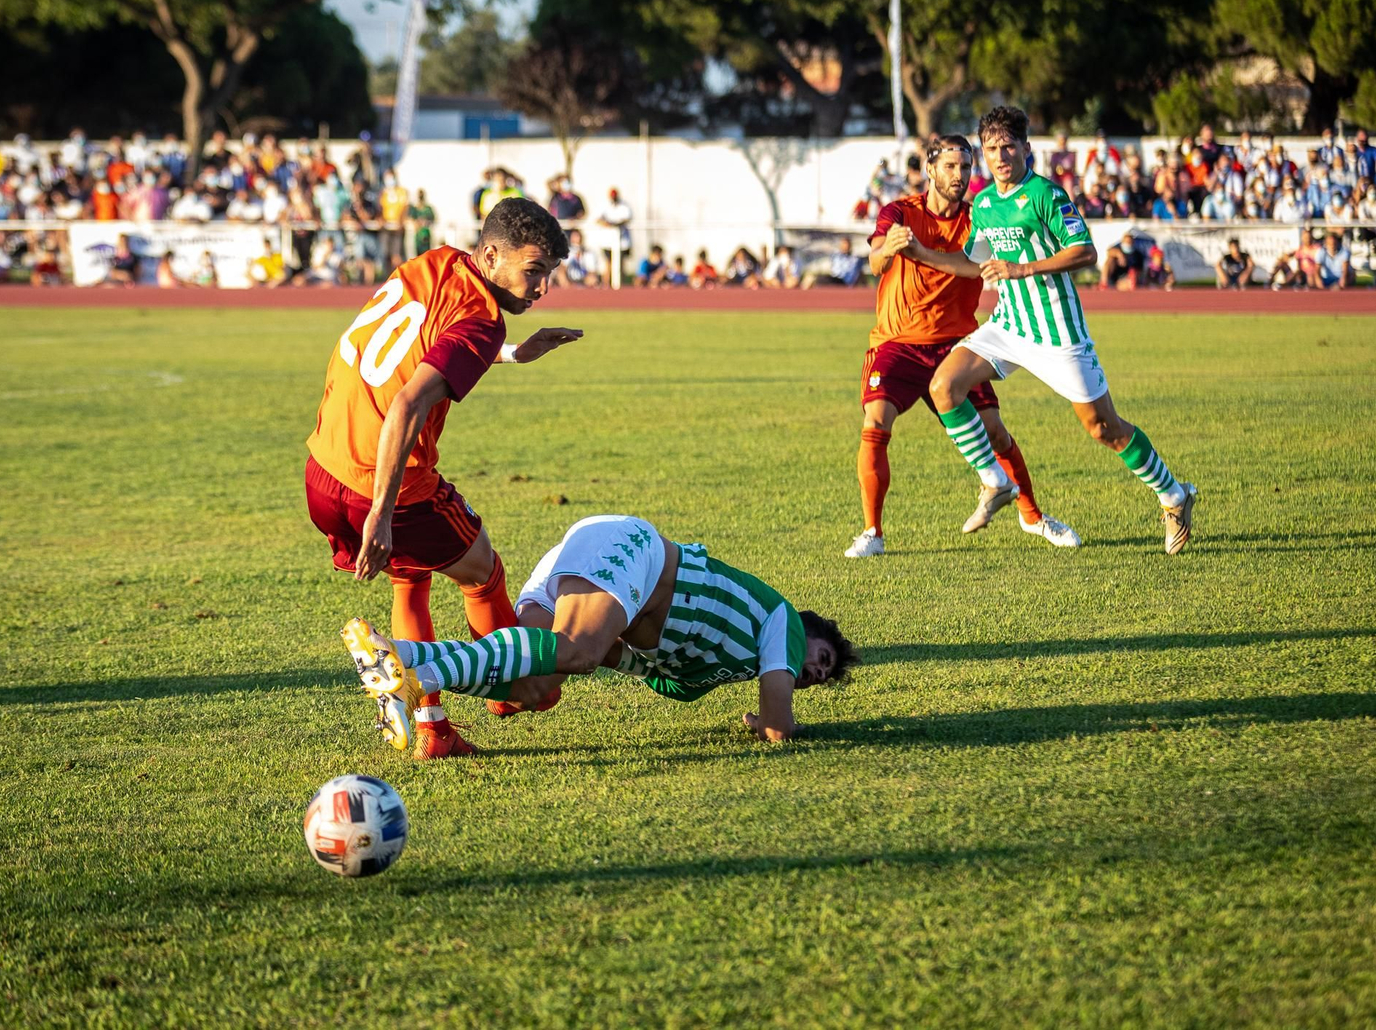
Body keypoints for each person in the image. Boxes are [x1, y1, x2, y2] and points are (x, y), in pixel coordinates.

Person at [304, 198, 584, 759]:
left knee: (411, 579)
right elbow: (408, 403)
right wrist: (381, 513)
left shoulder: (435, 263)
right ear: (491, 255)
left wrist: (509, 354)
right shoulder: (482, 318)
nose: (542, 288)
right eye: (534, 271)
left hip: (323, 468)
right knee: (483, 575)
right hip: (385, 485)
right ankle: (506, 685)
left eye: (549, 275)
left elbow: (416, 348)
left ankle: (433, 730)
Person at [904, 105, 1197, 555]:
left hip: (1059, 333)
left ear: (1025, 147)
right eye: (991, 149)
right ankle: (995, 481)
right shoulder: (982, 203)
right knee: (944, 385)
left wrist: (1023, 269)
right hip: (1008, 326)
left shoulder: (1046, 194)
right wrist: (921, 254)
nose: (1000, 156)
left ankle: (1174, 495)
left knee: (1104, 429)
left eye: (1008, 146)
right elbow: (973, 264)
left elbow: (1085, 252)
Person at [340, 514, 859, 751]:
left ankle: (403, 671)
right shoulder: (783, 622)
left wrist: (759, 717)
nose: (814, 670)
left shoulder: (696, 679)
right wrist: (767, 720)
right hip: (631, 548)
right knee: (577, 650)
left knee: (536, 688)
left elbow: (618, 655)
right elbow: (779, 728)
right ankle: (409, 658)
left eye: (821, 676)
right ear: (807, 636)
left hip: (600, 568)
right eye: (822, 657)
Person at [847, 133, 1079, 559]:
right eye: (951, 166)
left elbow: (987, 263)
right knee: (875, 424)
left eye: (967, 167)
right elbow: (875, 261)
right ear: (930, 169)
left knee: (995, 431)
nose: (960, 175)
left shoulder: (981, 218)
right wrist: (888, 252)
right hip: (897, 342)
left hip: (955, 343)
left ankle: (1033, 515)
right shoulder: (899, 212)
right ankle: (872, 534)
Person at [802, 237, 866, 288]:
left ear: (850, 246)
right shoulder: (836, 257)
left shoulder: (855, 259)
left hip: (844, 282)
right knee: (812, 278)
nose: (845, 247)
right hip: (834, 279)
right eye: (843, 245)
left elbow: (860, 273)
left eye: (846, 245)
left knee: (819, 279)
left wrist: (864, 285)